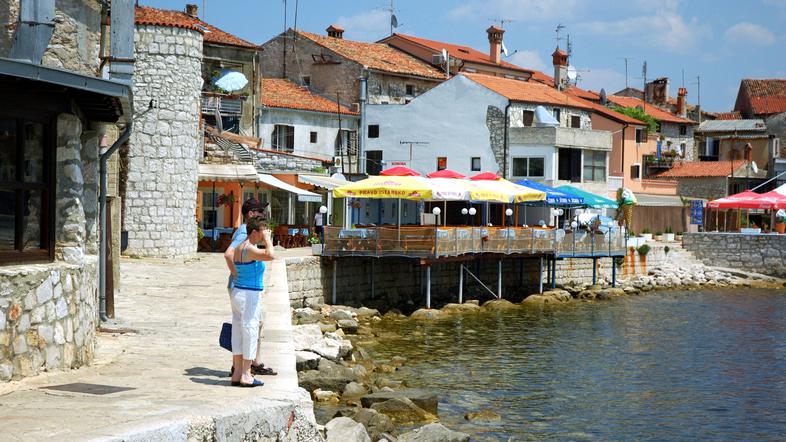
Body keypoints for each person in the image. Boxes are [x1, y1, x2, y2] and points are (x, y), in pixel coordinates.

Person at [224, 198, 277, 376]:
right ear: (251, 214)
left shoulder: (245, 234)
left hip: (242, 288)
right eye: (261, 212)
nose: (264, 215)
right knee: (249, 327)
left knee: (247, 326)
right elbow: (229, 254)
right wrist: (237, 274)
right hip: (245, 288)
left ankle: (248, 365)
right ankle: (246, 368)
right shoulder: (243, 232)